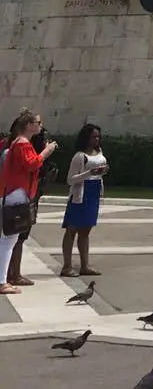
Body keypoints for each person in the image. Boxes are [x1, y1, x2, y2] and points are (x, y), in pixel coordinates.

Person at [0, 110, 59, 296]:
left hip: (15, 192)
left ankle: (3, 279)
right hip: (17, 193)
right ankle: (2, 281)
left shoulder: (19, 142)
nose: (40, 126)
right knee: (9, 239)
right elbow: (32, 164)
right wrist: (46, 152)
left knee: (9, 239)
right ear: (28, 125)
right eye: (37, 123)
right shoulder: (22, 143)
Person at [59, 122, 108, 278]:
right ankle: (67, 266)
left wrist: (102, 171)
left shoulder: (99, 151)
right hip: (80, 195)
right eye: (93, 136)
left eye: (98, 136)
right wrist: (89, 173)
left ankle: (85, 265)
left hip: (94, 192)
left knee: (86, 230)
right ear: (86, 137)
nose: (96, 139)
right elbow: (70, 179)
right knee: (72, 229)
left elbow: (99, 171)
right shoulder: (80, 156)